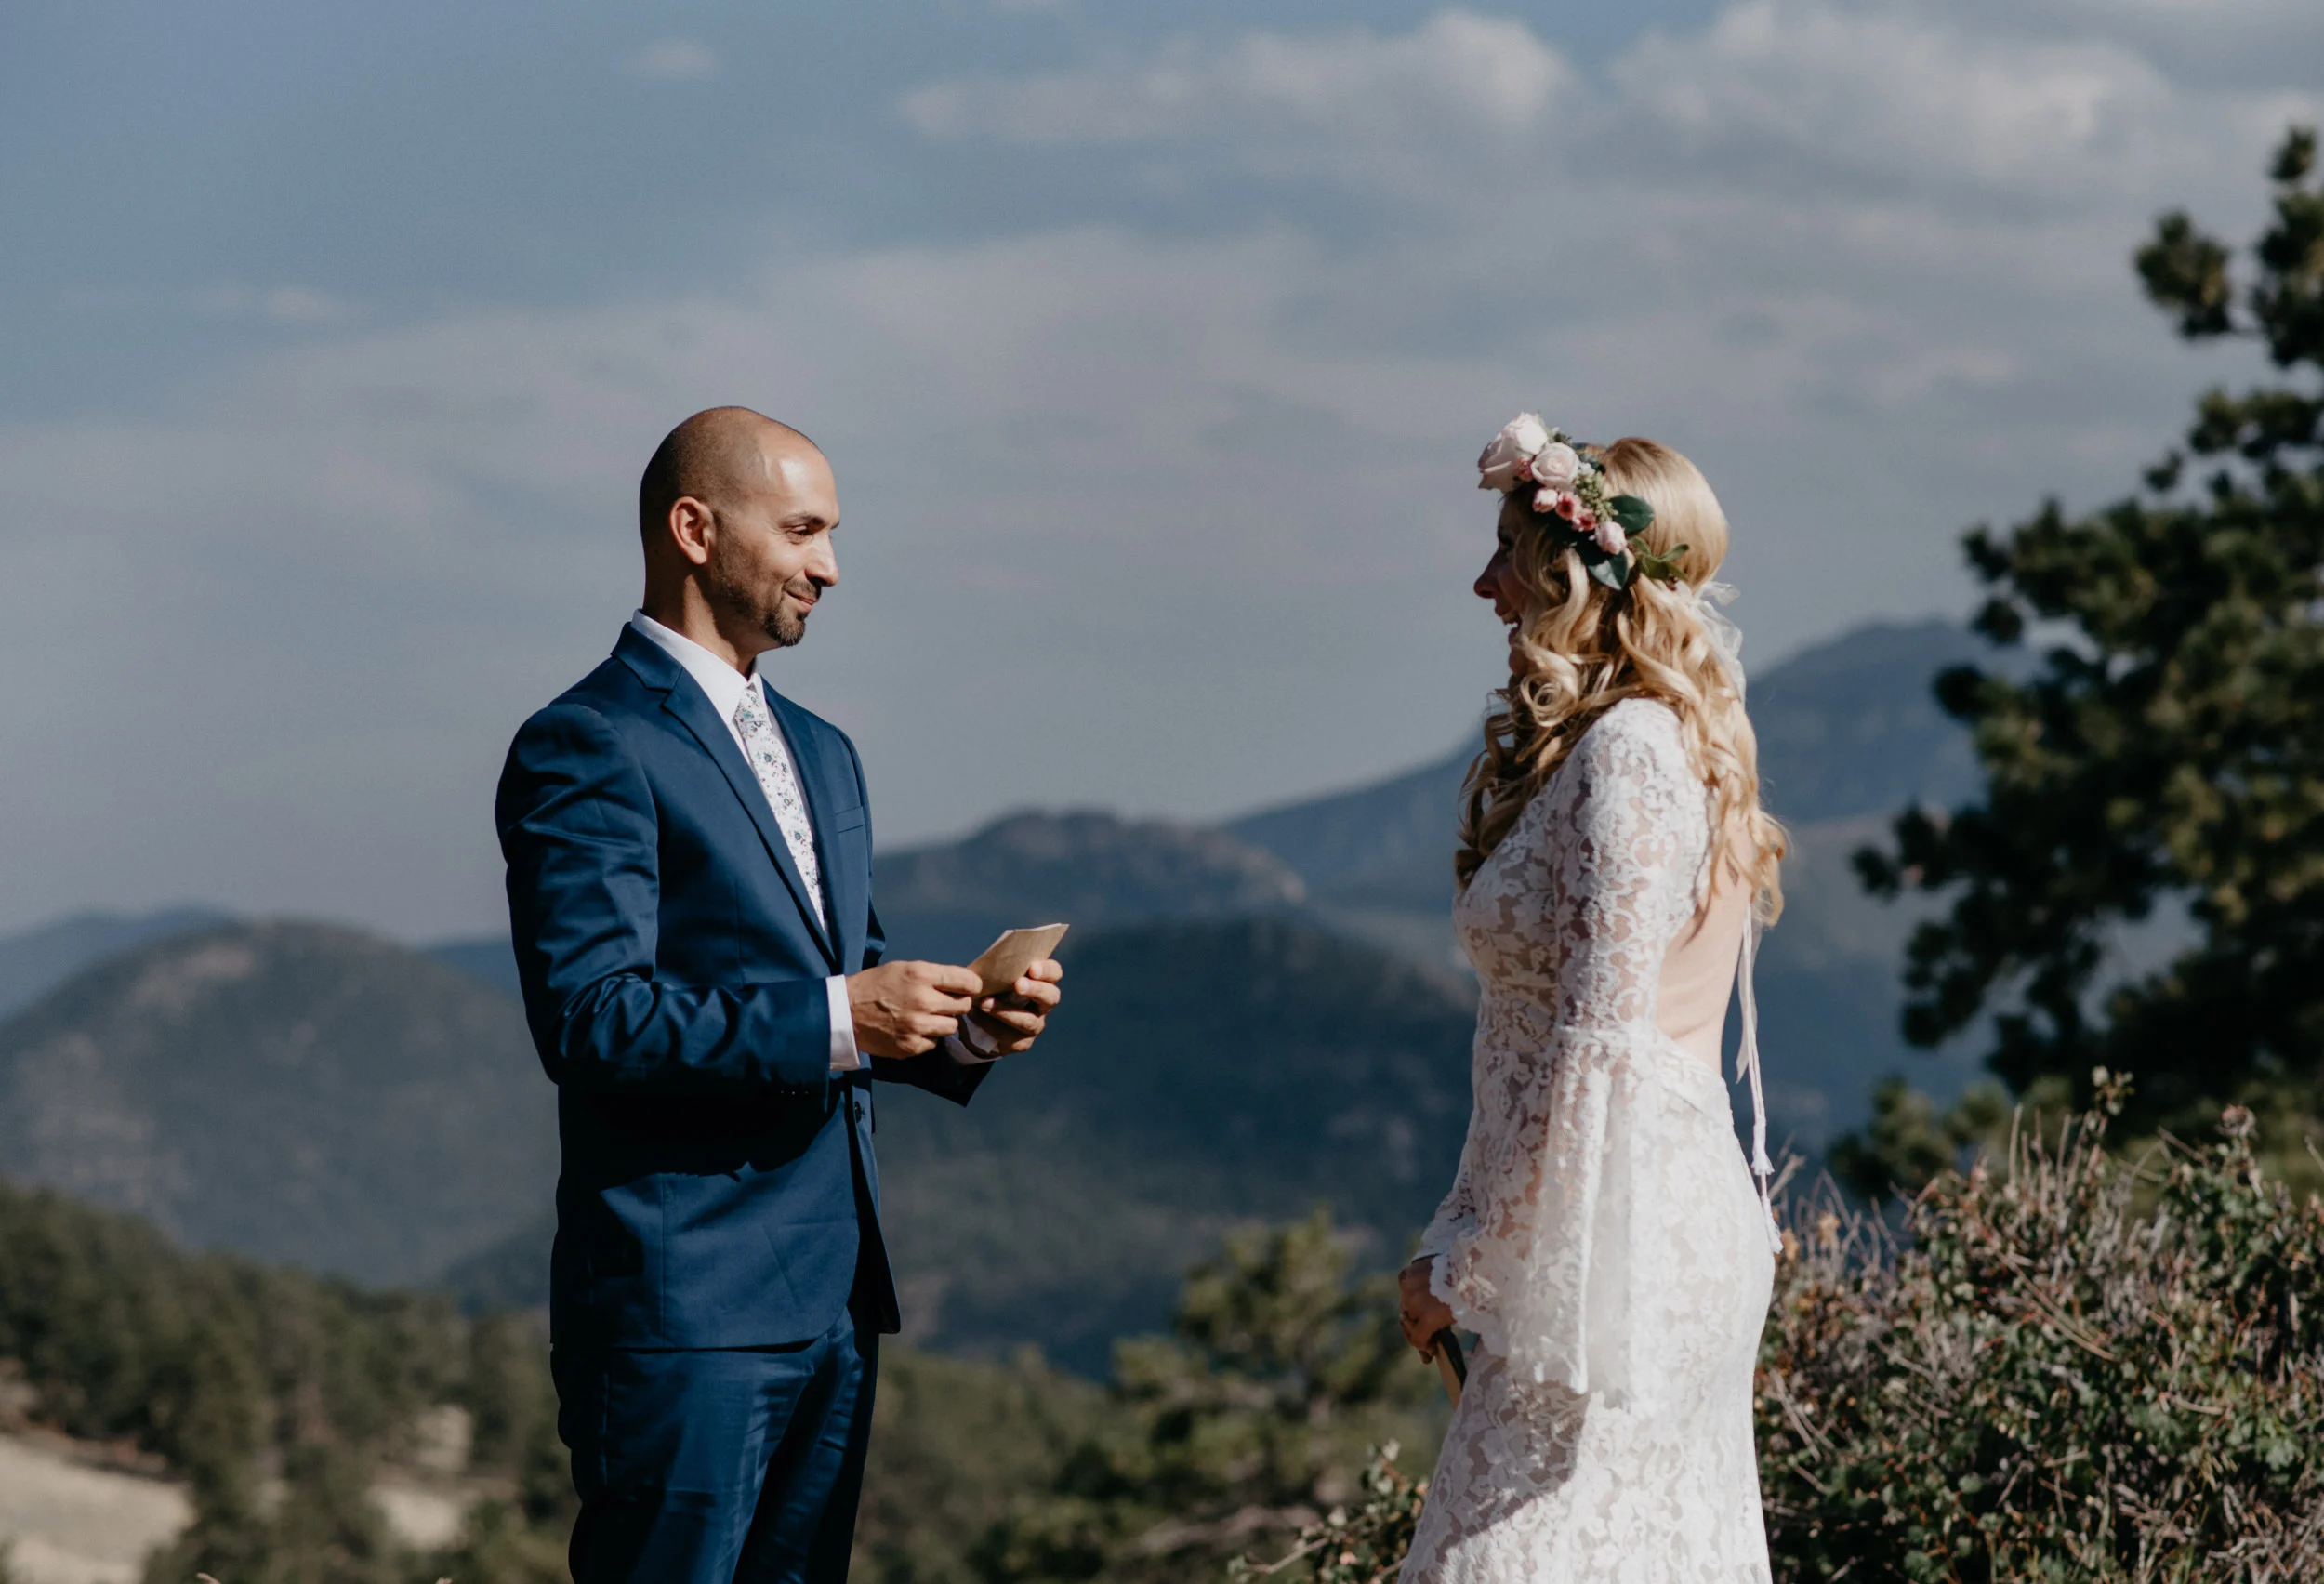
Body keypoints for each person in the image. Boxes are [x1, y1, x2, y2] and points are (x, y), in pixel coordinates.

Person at [495, 407, 1063, 1584]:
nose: (830, 566)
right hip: (681, 1314)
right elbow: (591, 1019)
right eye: (803, 531)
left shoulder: (828, 750)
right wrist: (844, 1014)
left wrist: (964, 1033)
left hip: (833, 1310)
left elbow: (848, 988)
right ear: (695, 529)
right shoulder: (585, 744)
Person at [1394, 417, 1787, 1582]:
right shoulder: (1680, 741)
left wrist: (1458, 1264)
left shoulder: (1627, 750)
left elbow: (1598, 1045)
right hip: (1626, 1213)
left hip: (1619, 1242)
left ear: (1579, 571)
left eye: (1509, 551)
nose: (1483, 583)